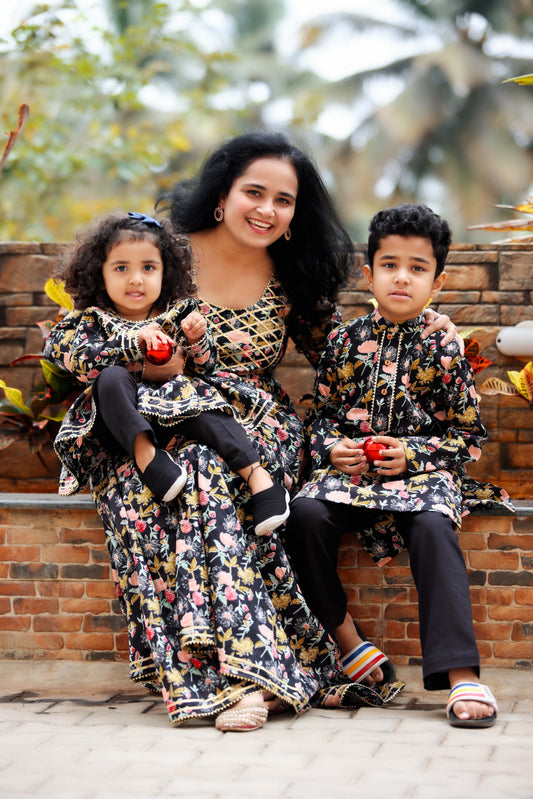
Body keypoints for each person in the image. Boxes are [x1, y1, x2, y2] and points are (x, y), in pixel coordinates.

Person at [45, 133, 457, 731]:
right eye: (254, 193)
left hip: (255, 427)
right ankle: (221, 670)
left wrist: (426, 324)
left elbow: (349, 357)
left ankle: (250, 673)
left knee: (211, 477)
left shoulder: (294, 278)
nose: (267, 210)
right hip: (155, 419)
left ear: (296, 215)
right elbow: (89, 330)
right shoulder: (161, 256)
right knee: (171, 485)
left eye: (283, 200)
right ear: (222, 195)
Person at [285, 203, 513, 728]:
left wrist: (415, 454)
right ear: (369, 274)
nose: (402, 278)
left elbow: (468, 438)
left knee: (434, 527)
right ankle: (348, 642)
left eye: (417, 267)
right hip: (351, 479)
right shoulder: (344, 342)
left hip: (423, 482)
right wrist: (331, 450)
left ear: (439, 279)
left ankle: (461, 675)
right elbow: (318, 420)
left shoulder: (447, 347)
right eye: (389, 265)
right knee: (304, 515)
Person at [46, 211, 289, 537]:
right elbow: (74, 358)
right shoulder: (91, 321)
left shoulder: (180, 313)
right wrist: (134, 343)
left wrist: (197, 340)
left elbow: (207, 367)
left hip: (178, 414)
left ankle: (260, 479)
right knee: (111, 377)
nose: (136, 279)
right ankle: (149, 460)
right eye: (121, 268)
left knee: (203, 399)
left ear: (166, 272)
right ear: (99, 274)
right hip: (120, 423)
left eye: (148, 267)